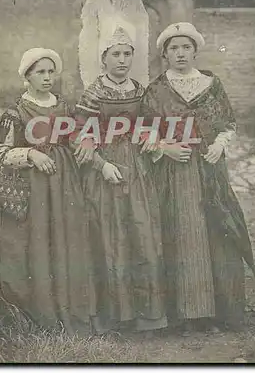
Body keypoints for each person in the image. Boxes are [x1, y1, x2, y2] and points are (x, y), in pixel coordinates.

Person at [141, 22, 255, 334]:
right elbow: (145, 131)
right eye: (173, 48)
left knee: (216, 233)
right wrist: (165, 149)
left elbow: (228, 122)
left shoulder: (211, 84)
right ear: (164, 54)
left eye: (186, 47)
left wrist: (219, 145)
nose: (180, 54)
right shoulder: (156, 89)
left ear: (195, 50)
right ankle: (185, 314)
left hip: (210, 170)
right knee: (183, 234)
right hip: (174, 174)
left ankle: (217, 313)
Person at [75, 25, 168, 335]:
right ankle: (112, 317)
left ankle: (146, 317)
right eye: (115, 54)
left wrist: (150, 135)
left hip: (137, 170)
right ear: (103, 59)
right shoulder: (93, 93)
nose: (122, 60)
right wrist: (101, 165)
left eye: (127, 54)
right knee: (108, 238)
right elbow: (81, 138)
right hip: (105, 173)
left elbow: (151, 124)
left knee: (141, 234)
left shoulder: (140, 90)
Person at [0, 47, 90, 336]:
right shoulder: (15, 112)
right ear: (27, 76)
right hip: (32, 189)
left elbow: (76, 138)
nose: (47, 77)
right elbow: (1, 154)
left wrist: (84, 143)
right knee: (36, 245)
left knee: (65, 242)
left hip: (63, 185)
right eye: (40, 72)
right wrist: (32, 155)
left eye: (50, 72)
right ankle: (38, 315)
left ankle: (68, 312)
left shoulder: (64, 107)